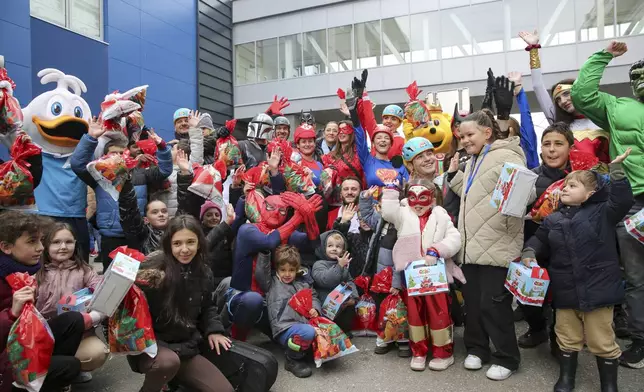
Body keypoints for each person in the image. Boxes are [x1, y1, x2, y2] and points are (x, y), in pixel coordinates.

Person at [522, 149, 634, 392]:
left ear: (591, 193)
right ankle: (566, 379)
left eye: (572, 185)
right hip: (565, 290)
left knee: (600, 338)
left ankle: (609, 384)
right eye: (564, 185)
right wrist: (529, 253)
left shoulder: (603, 212)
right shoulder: (552, 219)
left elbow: (623, 201)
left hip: (599, 289)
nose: (565, 188)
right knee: (566, 335)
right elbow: (539, 240)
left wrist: (616, 172)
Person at [571, 40, 644, 368]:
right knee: (636, 276)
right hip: (633, 201)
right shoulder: (619, 108)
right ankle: (641, 339)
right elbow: (582, 95)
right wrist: (603, 57)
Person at [447, 109, 529, 381]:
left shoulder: (506, 154)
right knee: (473, 303)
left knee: (494, 305)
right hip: (472, 246)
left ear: (487, 132)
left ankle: (507, 357)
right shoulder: (475, 158)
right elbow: (479, 195)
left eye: (470, 134)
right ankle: (477, 349)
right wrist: (455, 178)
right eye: (462, 136)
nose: (465, 140)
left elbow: (525, 192)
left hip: (497, 244)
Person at [131, 215, 234, 392]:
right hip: (153, 346)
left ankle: (175, 379)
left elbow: (208, 306)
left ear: (199, 243)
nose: (184, 249)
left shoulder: (204, 272)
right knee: (167, 363)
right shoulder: (152, 271)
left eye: (190, 242)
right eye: (177, 243)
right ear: (169, 245)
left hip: (185, 347)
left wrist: (214, 330)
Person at [381, 178, 463, 372]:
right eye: (412, 197)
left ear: (432, 198)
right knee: (415, 314)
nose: (417, 203)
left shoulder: (441, 216)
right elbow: (388, 212)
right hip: (412, 277)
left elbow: (454, 238)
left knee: (438, 312)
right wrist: (392, 191)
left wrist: (438, 249)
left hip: (436, 276)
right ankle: (419, 351)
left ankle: (443, 352)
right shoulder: (403, 213)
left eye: (423, 197)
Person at [0, 211, 85, 392]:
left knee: (73, 319)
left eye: (41, 240)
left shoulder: (25, 270)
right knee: (70, 366)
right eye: (32, 242)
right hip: (6, 359)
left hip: (22, 341)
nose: (40, 248)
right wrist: (12, 313)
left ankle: (44, 379)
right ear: (6, 247)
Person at [71, 118, 172, 268]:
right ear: (104, 158)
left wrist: (162, 147)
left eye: (120, 153)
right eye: (113, 154)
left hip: (136, 236)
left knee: (138, 279)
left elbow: (165, 170)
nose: (117, 157)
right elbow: (77, 165)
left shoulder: (141, 173)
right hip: (111, 236)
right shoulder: (100, 177)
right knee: (112, 282)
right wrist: (90, 138)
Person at [227, 192, 322, 341]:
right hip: (243, 297)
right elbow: (269, 241)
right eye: (271, 207)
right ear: (262, 207)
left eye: (282, 210)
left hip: (272, 299)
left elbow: (313, 243)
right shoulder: (248, 230)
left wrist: (308, 215)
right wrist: (299, 216)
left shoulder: (288, 232)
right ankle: (236, 339)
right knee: (253, 301)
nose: (276, 213)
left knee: (289, 335)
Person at [517, 122, 576, 355]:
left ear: (570, 148)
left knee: (562, 297)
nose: (552, 150)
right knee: (529, 295)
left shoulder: (581, 177)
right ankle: (537, 328)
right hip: (534, 245)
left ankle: (558, 335)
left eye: (558, 144)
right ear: (540, 149)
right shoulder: (529, 177)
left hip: (568, 248)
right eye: (547, 144)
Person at [518, 30, 610, 163]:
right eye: (558, 100)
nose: (563, 101)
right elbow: (538, 86)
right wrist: (533, 50)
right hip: (572, 181)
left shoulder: (604, 115)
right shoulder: (561, 125)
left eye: (566, 94)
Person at [35, 223, 109, 383]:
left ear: (75, 244)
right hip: (42, 333)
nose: (63, 247)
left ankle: (73, 368)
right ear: (45, 244)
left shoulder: (84, 270)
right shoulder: (36, 271)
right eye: (56, 242)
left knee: (97, 353)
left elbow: (105, 297)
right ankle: (56, 371)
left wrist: (93, 317)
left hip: (78, 333)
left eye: (68, 242)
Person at [255, 245, 320, 378]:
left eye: (291, 270)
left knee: (322, 333)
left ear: (297, 269)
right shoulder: (271, 283)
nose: (287, 274)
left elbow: (314, 297)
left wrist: (316, 309)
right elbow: (261, 273)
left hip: (303, 324)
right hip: (284, 327)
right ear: (277, 269)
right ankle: (293, 359)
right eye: (282, 270)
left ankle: (302, 350)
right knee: (308, 332)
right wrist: (264, 250)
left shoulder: (304, 283)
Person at [347, 72, 408, 188]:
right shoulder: (369, 157)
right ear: (374, 142)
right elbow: (368, 118)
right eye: (386, 118)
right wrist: (362, 95)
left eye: (394, 119)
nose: (389, 121)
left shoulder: (403, 142)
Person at [311, 230, 358, 334]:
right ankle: (329, 330)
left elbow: (349, 281)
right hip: (325, 303)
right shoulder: (319, 264)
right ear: (324, 247)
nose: (334, 249)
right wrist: (339, 266)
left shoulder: (342, 264)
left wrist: (353, 297)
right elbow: (325, 280)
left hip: (342, 303)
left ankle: (343, 331)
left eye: (338, 247)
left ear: (342, 250)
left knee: (350, 309)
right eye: (330, 246)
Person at [119, 178, 169, 255]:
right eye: (155, 212)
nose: (161, 214)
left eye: (164, 211)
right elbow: (130, 212)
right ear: (146, 219)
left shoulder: (175, 232)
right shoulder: (141, 234)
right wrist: (126, 182)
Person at [321, 120, 365, 205]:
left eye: (345, 129)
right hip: (336, 202)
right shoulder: (328, 157)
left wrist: (353, 113)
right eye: (339, 130)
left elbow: (362, 134)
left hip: (356, 199)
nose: (341, 133)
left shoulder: (360, 154)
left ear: (352, 132)